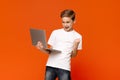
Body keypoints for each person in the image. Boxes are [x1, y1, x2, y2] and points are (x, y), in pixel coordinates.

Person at [36, 9, 82, 80]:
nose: (65, 25)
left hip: (64, 67)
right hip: (50, 66)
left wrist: (75, 45)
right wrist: (41, 48)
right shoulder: (55, 32)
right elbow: (49, 51)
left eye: (68, 22)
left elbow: (73, 55)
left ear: (74, 21)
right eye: (63, 22)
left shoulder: (78, 36)